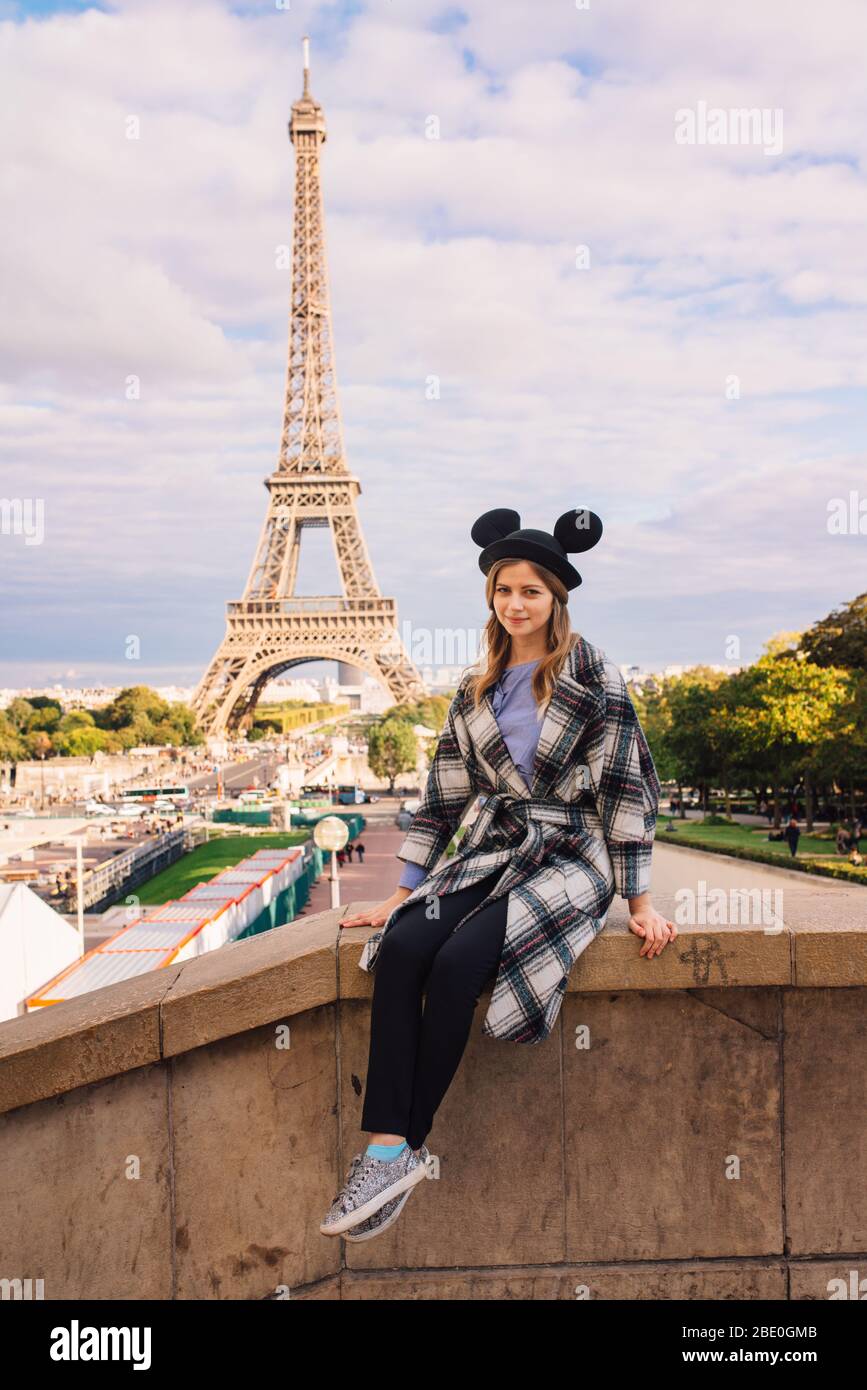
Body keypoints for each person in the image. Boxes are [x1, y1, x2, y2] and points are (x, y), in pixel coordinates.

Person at [322, 505, 674, 1242]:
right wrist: (398, 894)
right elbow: (442, 797)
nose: (515, 604)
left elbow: (625, 789)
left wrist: (637, 901)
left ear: (557, 600)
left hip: (571, 854)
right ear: (490, 595)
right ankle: (392, 1147)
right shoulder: (475, 686)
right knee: (406, 947)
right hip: (493, 844)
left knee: (455, 965)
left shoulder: (593, 675)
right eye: (503, 590)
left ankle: (396, 1149)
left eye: (531, 592)